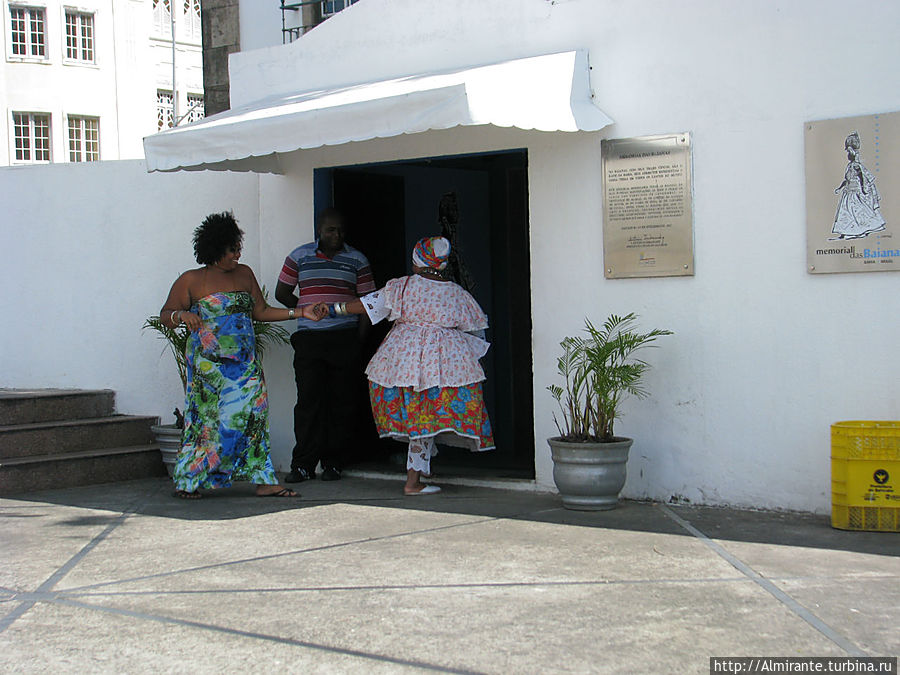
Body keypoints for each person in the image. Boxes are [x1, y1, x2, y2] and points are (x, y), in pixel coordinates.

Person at [159, 211, 324, 499]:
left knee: (253, 416)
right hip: (208, 369)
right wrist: (181, 314)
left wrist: (300, 312)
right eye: (232, 249)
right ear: (215, 248)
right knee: (207, 422)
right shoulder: (191, 280)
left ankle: (263, 480)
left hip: (245, 365)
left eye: (239, 248)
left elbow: (259, 312)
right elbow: (165, 316)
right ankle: (189, 480)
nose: (238, 253)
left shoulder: (245, 273)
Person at [334, 236, 494, 495]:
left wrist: (334, 308)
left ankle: (414, 481)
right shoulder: (457, 294)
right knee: (428, 417)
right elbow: (477, 333)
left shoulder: (403, 287)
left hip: (403, 365)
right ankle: (416, 477)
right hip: (445, 367)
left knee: (420, 419)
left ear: (418, 262)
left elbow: (367, 305)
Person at [275, 208, 376, 483]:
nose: (336, 235)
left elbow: (370, 304)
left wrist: (359, 339)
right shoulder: (299, 256)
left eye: (341, 230)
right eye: (331, 230)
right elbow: (281, 292)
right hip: (309, 339)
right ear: (319, 230)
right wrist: (303, 310)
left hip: (344, 337)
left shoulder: (357, 259)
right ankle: (303, 464)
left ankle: (333, 463)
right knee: (308, 402)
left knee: (341, 403)